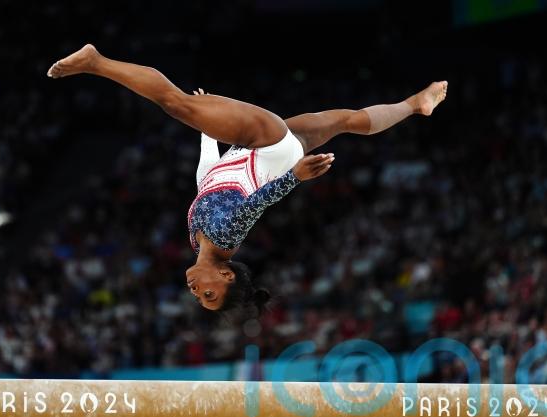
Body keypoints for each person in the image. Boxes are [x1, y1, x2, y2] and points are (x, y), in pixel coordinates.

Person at [48, 44, 447, 318]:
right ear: (227, 275)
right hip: (266, 146)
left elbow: (207, 181)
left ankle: (415, 104)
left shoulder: (197, 240)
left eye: (200, 298)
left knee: (347, 120)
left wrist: (207, 134)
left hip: (268, 152)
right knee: (176, 103)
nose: (196, 292)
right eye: (209, 294)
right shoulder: (225, 240)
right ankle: (96, 62)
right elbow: (255, 204)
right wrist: (294, 178)